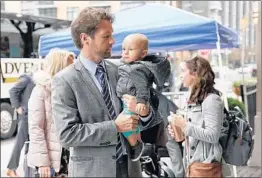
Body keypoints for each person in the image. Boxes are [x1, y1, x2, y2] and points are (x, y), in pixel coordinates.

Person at [51, 7, 157, 177]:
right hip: (93, 171)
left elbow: (142, 115)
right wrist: (114, 127)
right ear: (85, 38)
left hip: (130, 167)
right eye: (106, 36)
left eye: (112, 35)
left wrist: (144, 113)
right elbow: (67, 135)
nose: (113, 41)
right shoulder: (64, 80)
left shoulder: (120, 70)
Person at [116, 33, 171, 161]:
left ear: (142, 54)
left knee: (127, 124)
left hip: (132, 99)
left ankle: (135, 145)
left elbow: (142, 87)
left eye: (130, 49)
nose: (125, 52)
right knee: (130, 124)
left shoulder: (137, 69)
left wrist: (141, 101)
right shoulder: (129, 66)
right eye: (124, 49)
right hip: (129, 98)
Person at [168, 56, 224, 177]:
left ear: (195, 73)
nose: (180, 75)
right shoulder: (192, 99)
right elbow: (192, 135)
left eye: (183, 71)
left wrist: (184, 125)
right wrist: (178, 131)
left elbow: (213, 135)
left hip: (205, 166)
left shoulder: (212, 100)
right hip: (192, 164)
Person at [27, 49, 75, 177]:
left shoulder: (70, 89)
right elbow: (36, 128)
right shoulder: (41, 90)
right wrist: (43, 162)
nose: (74, 69)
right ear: (59, 67)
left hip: (72, 155)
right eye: (70, 66)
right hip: (54, 160)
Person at [6, 67, 36, 177]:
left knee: (29, 143)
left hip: (32, 115)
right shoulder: (28, 78)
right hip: (25, 115)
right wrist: (17, 107)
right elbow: (12, 90)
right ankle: (10, 168)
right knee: (20, 142)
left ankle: (27, 169)